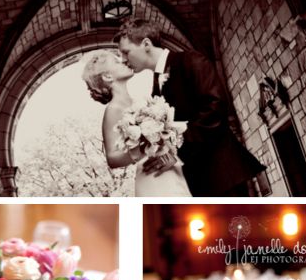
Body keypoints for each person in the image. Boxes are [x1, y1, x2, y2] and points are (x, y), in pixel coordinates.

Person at [114, 18, 266, 196]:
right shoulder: (156, 84)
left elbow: (215, 109)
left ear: (146, 44)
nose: (123, 59)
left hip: (221, 174)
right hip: (197, 180)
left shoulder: (191, 60)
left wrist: (174, 149)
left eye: (126, 52)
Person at [82, 50, 191, 196]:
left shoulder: (141, 102)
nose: (124, 61)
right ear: (108, 76)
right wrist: (146, 146)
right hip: (152, 175)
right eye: (117, 61)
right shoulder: (113, 109)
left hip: (170, 167)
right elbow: (112, 158)